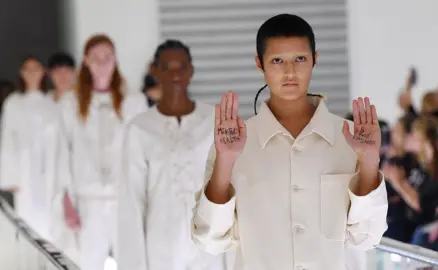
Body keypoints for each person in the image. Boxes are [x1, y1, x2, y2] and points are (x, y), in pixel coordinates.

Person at [191, 14, 388, 270]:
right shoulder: (235, 144)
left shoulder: (350, 138)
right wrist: (226, 161)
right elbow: (209, 240)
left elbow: (367, 238)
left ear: (315, 60)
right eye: (277, 61)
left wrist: (369, 160)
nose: (290, 72)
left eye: (300, 59)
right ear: (259, 64)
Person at [117, 40, 227, 270]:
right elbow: (132, 202)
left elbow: (230, 187)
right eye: (167, 67)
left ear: (191, 71)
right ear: (155, 71)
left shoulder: (215, 120)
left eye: (181, 67)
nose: (175, 75)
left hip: (209, 244)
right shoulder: (139, 128)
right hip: (160, 246)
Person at [50, 34, 148, 270]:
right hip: (88, 200)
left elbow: (142, 152)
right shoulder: (70, 104)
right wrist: (67, 200)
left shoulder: (134, 102)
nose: (102, 62)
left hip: (124, 199)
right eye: (96, 57)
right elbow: (63, 151)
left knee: (132, 262)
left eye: (107, 57)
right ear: (86, 61)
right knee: (88, 263)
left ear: (115, 60)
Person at [0, 56, 57, 240]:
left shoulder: (52, 101)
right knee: (28, 217)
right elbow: (8, 139)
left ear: (43, 72)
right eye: (28, 69)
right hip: (25, 171)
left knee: (52, 217)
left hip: (50, 167)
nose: (33, 73)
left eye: (37, 68)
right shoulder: (14, 102)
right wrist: (10, 177)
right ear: (22, 73)